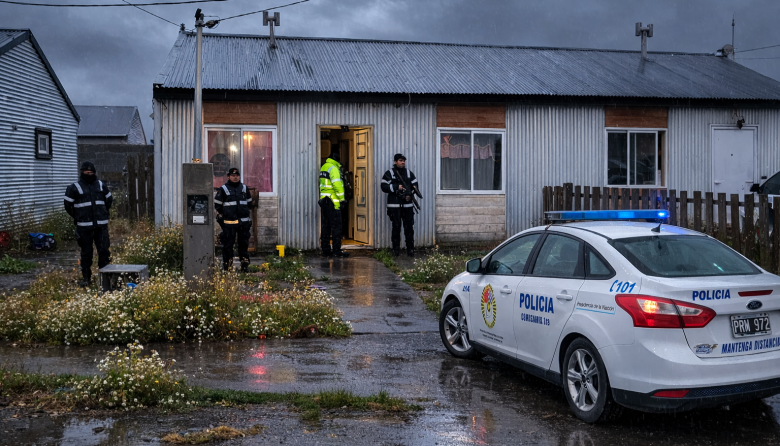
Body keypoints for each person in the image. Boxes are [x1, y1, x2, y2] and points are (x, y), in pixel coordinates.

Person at [64, 161, 113, 287]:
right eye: (87, 172)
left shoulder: (101, 185)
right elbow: (68, 206)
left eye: (91, 173)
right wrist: (78, 217)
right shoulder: (74, 188)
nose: (89, 174)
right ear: (82, 172)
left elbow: (109, 200)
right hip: (84, 228)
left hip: (101, 227)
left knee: (104, 252)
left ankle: (105, 279)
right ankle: (86, 278)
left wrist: (103, 214)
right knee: (86, 253)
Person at [214, 167, 254, 272]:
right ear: (228, 176)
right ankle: (228, 268)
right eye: (233, 175)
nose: (235, 177)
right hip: (229, 223)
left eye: (237, 176)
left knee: (243, 245)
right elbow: (217, 205)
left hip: (243, 223)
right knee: (228, 246)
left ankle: (245, 267)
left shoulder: (245, 188)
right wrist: (226, 214)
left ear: (239, 176)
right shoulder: (223, 189)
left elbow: (249, 203)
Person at [381, 153, 418, 257]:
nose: (403, 162)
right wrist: (396, 187)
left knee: (409, 229)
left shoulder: (409, 173)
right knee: (396, 229)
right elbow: (383, 186)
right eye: (401, 160)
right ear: (395, 162)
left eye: (404, 161)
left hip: (408, 207)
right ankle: (395, 250)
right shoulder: (389, 173)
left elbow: (415, 185)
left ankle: (410, 250)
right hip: (394, 207)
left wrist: (409, 195)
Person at [319, 152, 349, 258]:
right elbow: (337, 185)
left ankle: (326, 249)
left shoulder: (324, 167)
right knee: (336, 226)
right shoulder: (334, 168)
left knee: (325, 226)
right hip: (333, 201)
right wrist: (342, 199)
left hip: (324, 201)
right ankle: (337, 250)